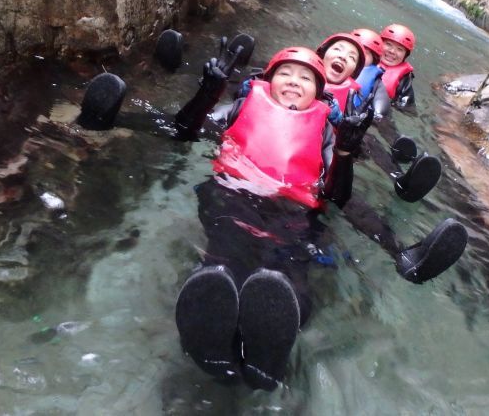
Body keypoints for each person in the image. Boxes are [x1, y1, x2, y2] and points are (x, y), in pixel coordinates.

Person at [170, 41, 469, 391]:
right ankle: (210, 330)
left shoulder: (327, 129)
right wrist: (206, 93)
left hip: (294, 214)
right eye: (285, 73)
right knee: (227, 252)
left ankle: (268, 352)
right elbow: (185, 130)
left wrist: (344, 151)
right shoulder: (241, 105)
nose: (295, 80)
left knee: (290, 273)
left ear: (318, 91)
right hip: (235, 197)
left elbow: (337, 194)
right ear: (269, 79)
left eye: (305, 78)